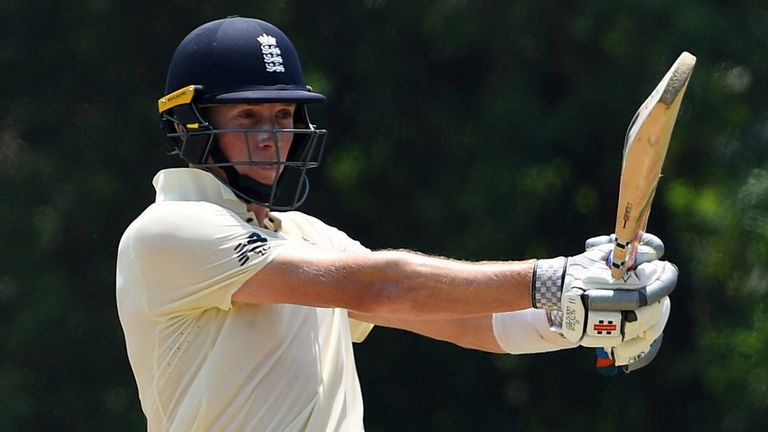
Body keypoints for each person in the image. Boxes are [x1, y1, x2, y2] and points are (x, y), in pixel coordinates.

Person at [116, 16, 678, 431]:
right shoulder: (169, 231)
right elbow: (380, 286)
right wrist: (555, 278)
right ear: (189, 124)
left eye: (283, 115)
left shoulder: (306, 239)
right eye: (247, 116)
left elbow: (463, 319)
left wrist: (580, 320)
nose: (271, 135)